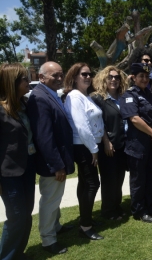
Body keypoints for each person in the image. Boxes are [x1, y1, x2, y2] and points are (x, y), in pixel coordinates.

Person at [27, 61, 74, 255]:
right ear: (41, 78)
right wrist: (56, 165)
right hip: (52, 163)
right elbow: (44, 137)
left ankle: (55, 226)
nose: (59, 78)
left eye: (61, 74)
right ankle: (48, 240)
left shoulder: (50, 94)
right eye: (54, 75)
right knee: (50, 200)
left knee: (56, 197)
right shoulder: (39, 97)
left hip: (58, 160)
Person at [64, 63, 104, 240]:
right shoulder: (74, 97)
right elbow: (82, 126)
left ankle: (85, 219)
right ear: (74, 77)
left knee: (85, 184)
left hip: (89, 145)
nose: (88, 77)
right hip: (84, 146)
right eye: (84, 74)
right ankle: (85, 226)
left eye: (90, 74)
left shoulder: (85, 96)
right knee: (92, 184)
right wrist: (94, 150)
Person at [0, 63, 36, 260]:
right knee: (16, 217)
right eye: (24, 78)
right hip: (9, 174)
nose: (28, 81)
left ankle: (18, 253)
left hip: (28, 167)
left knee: (27, 213)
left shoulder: (24, 105)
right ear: (11, 83)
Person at [120, 63, 152, 223]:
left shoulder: (150, 94)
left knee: (151, 174)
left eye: (146, 76)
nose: (145, 79)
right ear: (133, 78)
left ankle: (150, 204)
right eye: (141, 76)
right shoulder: (129, 95)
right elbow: (134, 118)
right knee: (139, 178)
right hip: (138, 142)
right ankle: (139, 210)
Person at [91, 66, 128, 221]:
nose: (114, 80)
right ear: (104, 79)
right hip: (109, 145)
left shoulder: (123, 97)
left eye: (117, 77)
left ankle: (116, 206)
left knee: (119, 178)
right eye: (110, 77)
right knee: (109, 180)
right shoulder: (98, 98)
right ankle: (108, 210)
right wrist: (106, 141)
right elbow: (98, 123)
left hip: (123, 144)